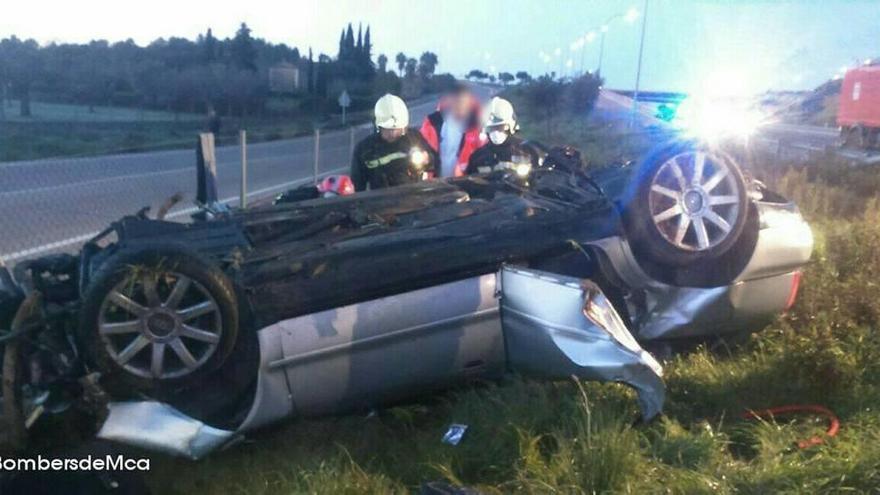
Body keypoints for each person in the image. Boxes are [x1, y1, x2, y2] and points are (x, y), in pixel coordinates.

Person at [351, 94, 437, 191]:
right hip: (380, 203)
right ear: (378, 126)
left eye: (397, 129)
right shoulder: (364, 149)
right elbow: (357, 188)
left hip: (413, 200)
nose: (393, 133)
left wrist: (427, 158)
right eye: (388, 129)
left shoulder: (414, 139)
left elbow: (436, 162)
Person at [420, 84, 485, 178]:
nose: (460, 105)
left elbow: (483, 155)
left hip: (464, 184)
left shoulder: (477, 127)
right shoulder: (432, 123)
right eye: (456, 100)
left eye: (463, 102)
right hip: (434, 184)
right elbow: (421, 145)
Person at [466, 97, 540, 175]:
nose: (495, 132)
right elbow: (469, 183)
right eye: (490, 129)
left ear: (510, 125)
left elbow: (540, 179)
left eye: (500, 127)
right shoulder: (477, 156)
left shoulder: (527, 151)